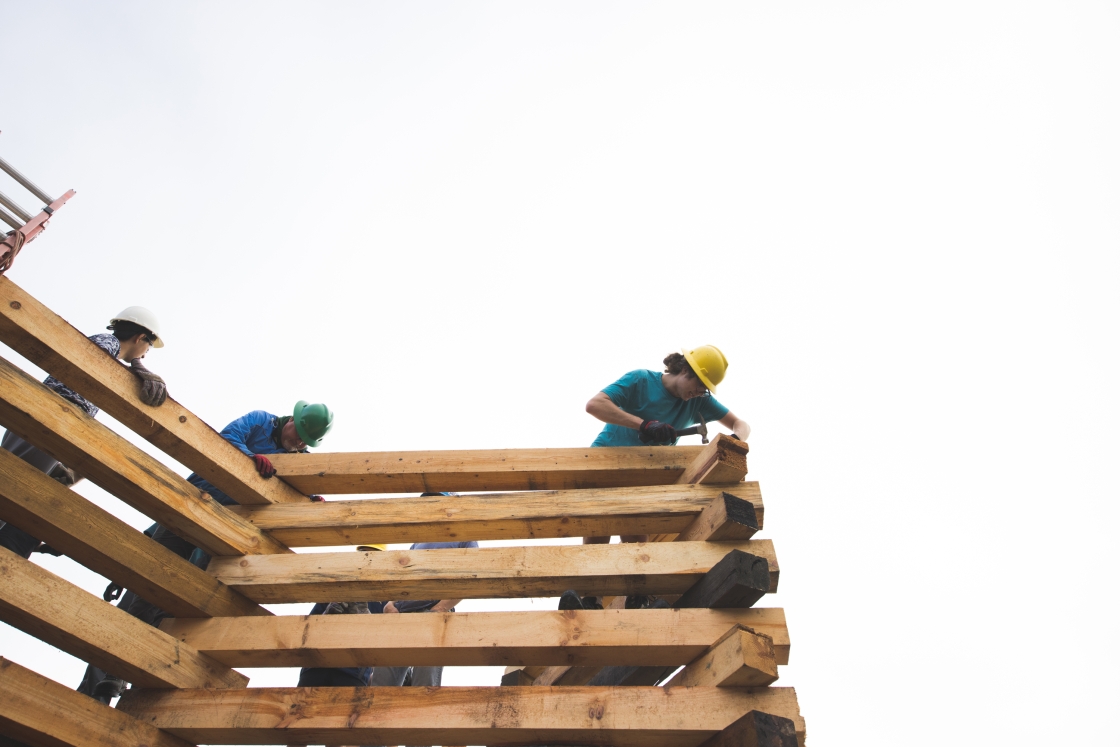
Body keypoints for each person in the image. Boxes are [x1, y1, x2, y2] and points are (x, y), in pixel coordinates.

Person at [562, 345, 751, 611]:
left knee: (638, 538)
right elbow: (595, 405)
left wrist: (735, 440)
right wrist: (643, 424)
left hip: (645, 477)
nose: (699, 394)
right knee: (599, 527)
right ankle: (590, 599)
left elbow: (741, 425)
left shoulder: (698, 400)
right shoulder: (640, 380)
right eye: (699, 386)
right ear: (685, 370)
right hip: (606, 463)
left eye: (704, 390)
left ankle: (637, 599)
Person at [124, 400, 334, 627]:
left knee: (189, 589)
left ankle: (155, 636)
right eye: (299, 434)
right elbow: (227, 438)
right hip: (192, 502)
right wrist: (249, 459)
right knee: (156, 573)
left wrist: (310, 500)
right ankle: (130, 633)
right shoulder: (261, 420)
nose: (299, 442)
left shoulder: (300, 459)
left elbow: (300, 491)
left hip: (224, 526)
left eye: (305, 441)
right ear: (292, 419)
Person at [0, 306, 168, 559]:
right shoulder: (106, 342)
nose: (146, 354)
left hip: (56, 422)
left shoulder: (112, 357)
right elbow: (91, 358)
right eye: (149, 346)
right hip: (49, 416)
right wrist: (137, 369)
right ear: (139, 337)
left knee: (26, 487)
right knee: (13, 482)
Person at [366, 494, 478, 731]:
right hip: (401, 617)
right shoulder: (418, 540)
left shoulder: (464, 536)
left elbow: (471, 578)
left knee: (424, 690)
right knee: (380, 691)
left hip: (432, 616)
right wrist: (391, 603)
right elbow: (404, 573)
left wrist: (440, 608)